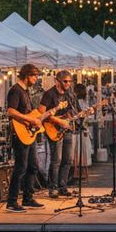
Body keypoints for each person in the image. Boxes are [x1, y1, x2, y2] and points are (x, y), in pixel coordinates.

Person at [5, 64, 44, 212]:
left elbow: (28, 112)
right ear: (27, 75)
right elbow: (11, 111)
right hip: (19, 134)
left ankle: (28, 198)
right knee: (20, 167)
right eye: (34, 76)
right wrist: (30, 120)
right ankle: (11, 202)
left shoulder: (26, 91)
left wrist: (36, 118)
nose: (36, 78)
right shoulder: (15, 90)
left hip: (28, 133)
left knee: (33, 166)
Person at [39, 69, 79, 198]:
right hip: (54, 129)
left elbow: (75, 111)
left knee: (68, 160)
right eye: (65, 81)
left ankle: (63, 187)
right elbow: (41, 113)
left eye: (70, 81)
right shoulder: (49, 94)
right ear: (57, 81)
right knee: (56, 160)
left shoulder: (70, 94)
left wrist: (83, 114)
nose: (68, 84)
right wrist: (58, 121)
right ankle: (53, 188)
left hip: (67, 129)